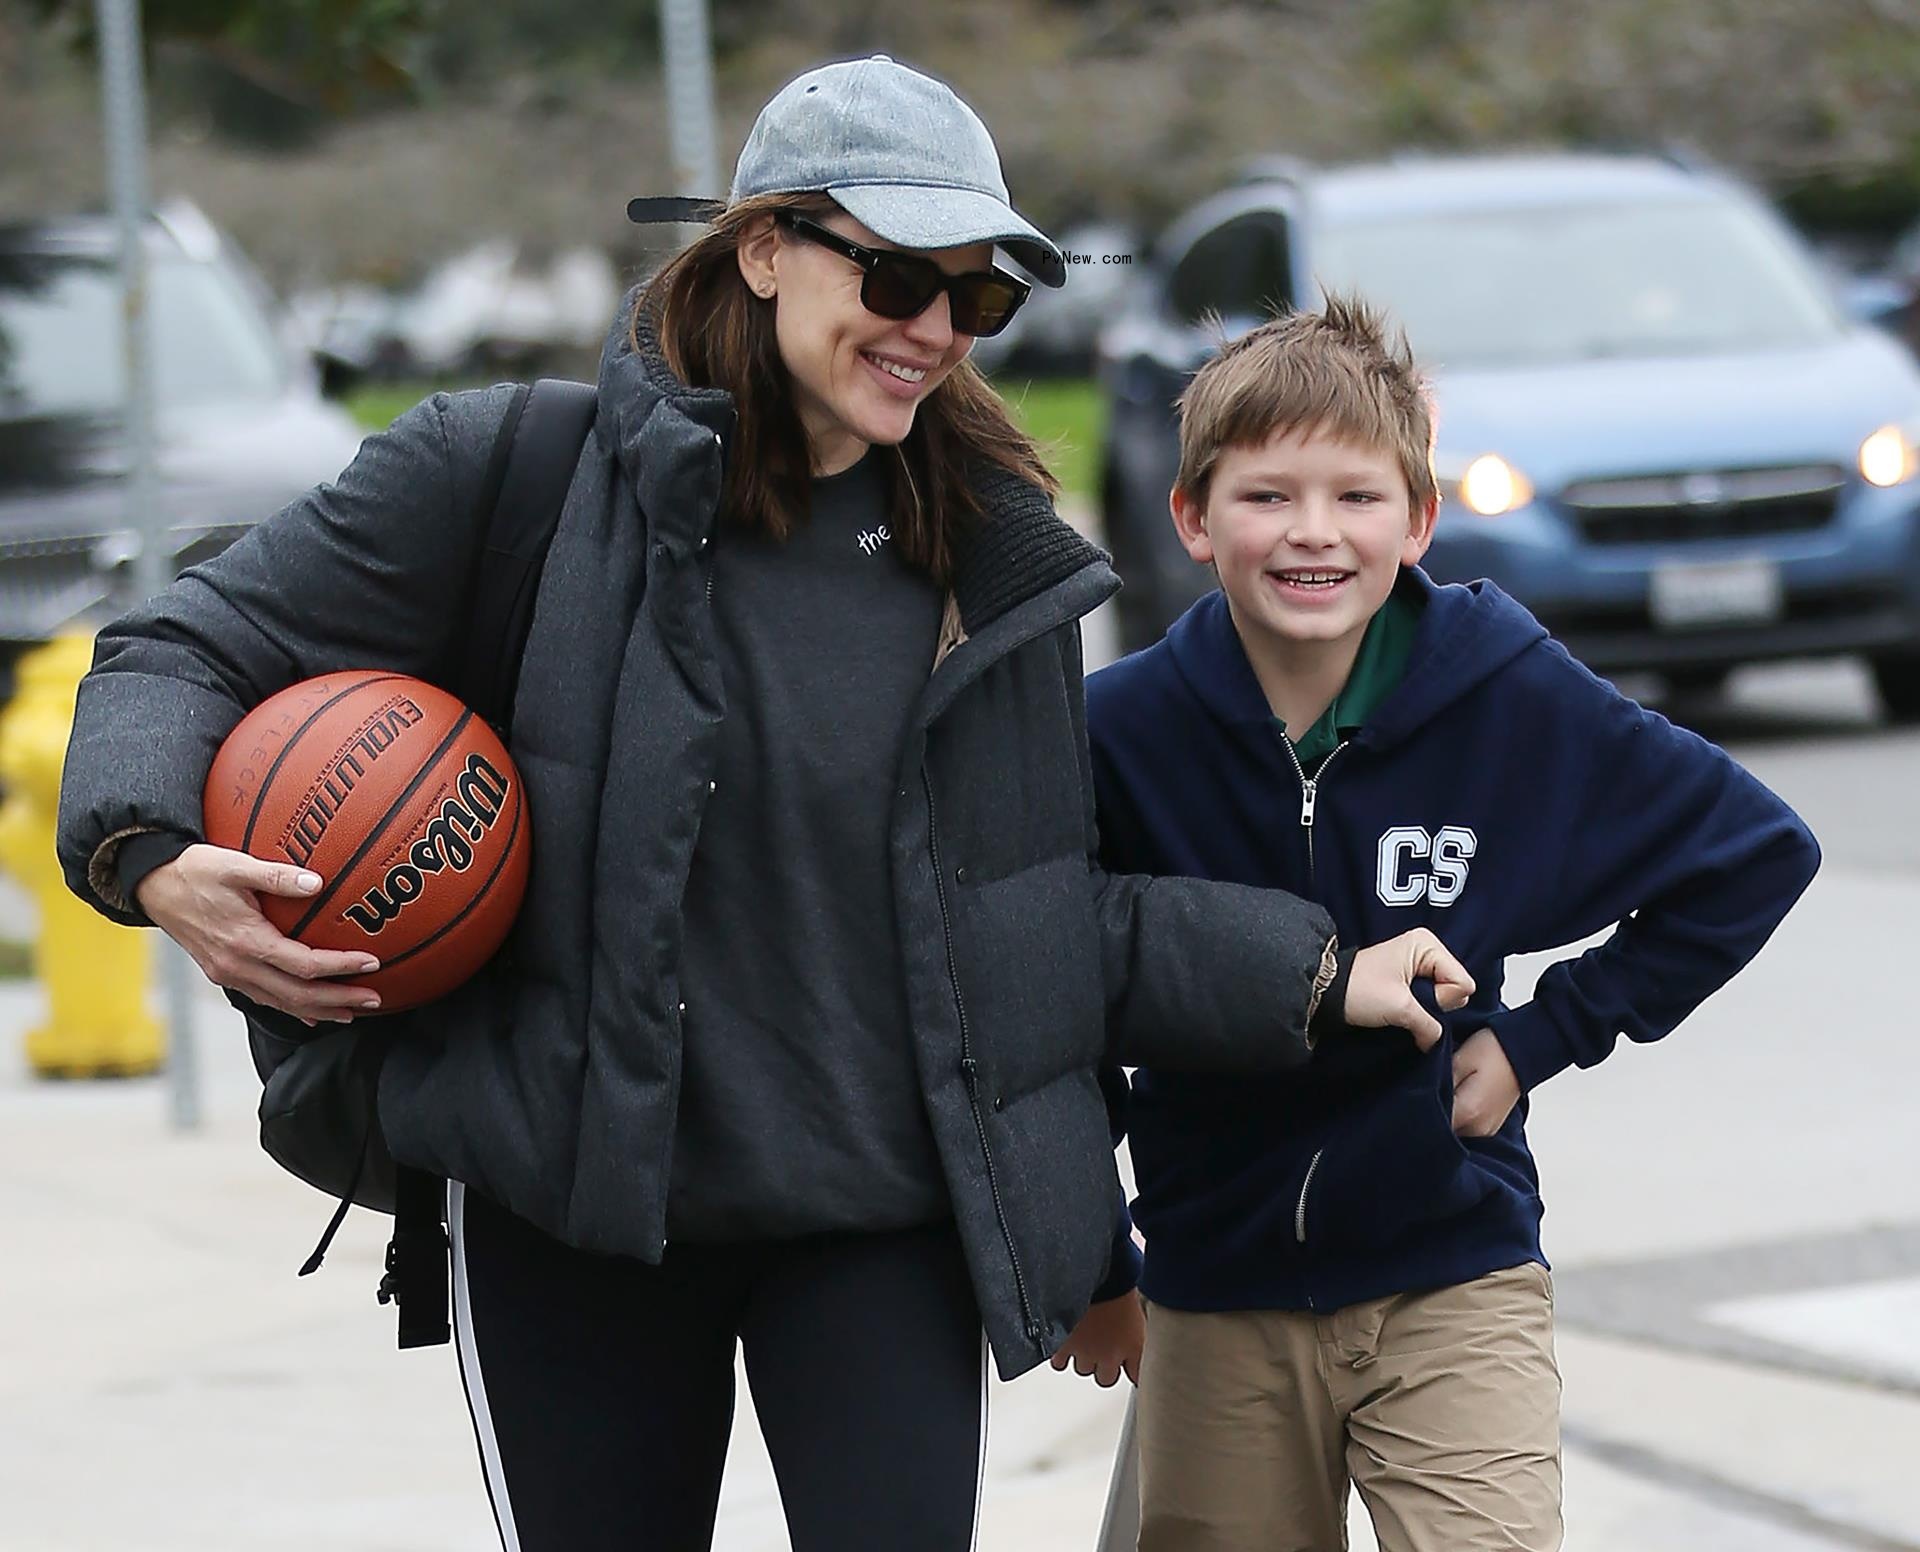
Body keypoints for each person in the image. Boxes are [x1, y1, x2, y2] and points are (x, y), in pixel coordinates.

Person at [55, 61, 1473, 1552]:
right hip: (578, 1216)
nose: (934, 330)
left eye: (978, 297)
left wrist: (1312, 974)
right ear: (764, 248)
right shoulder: (515, 474)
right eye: (898, 277)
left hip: (881, 1229)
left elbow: (1035, 923)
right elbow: (177, 646)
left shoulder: (993, 559)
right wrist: (149, 854)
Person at [1085, 296, 1822, 1551]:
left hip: (1452, 1263)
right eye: (1267, 496)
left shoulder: (1506, 691)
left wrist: (1545, 1036)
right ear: (1193, 518)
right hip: (1214, 1283)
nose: (1313, 531)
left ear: (1419, 519)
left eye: (1356, 496)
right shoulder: (1121, 731)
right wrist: (1098, 1258)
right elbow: (1061, 992)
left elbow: (1756, 853)